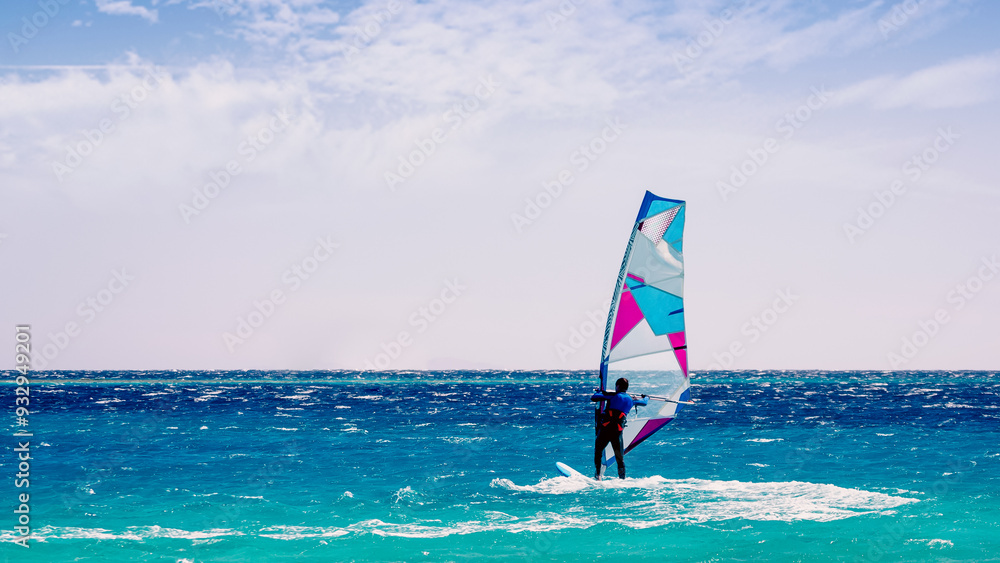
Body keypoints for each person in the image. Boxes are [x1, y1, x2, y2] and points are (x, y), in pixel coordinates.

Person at [591, 377, 648, 480]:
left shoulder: (612, 396)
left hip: (605, 430)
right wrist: (646, 397)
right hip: (617, 433)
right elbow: (644, 403)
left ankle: (598, 475)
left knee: (598, 452)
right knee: (619, 458)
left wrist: (601, 392)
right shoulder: (631, 399)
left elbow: (594, 397)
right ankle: (622, 479)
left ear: (617, 386)